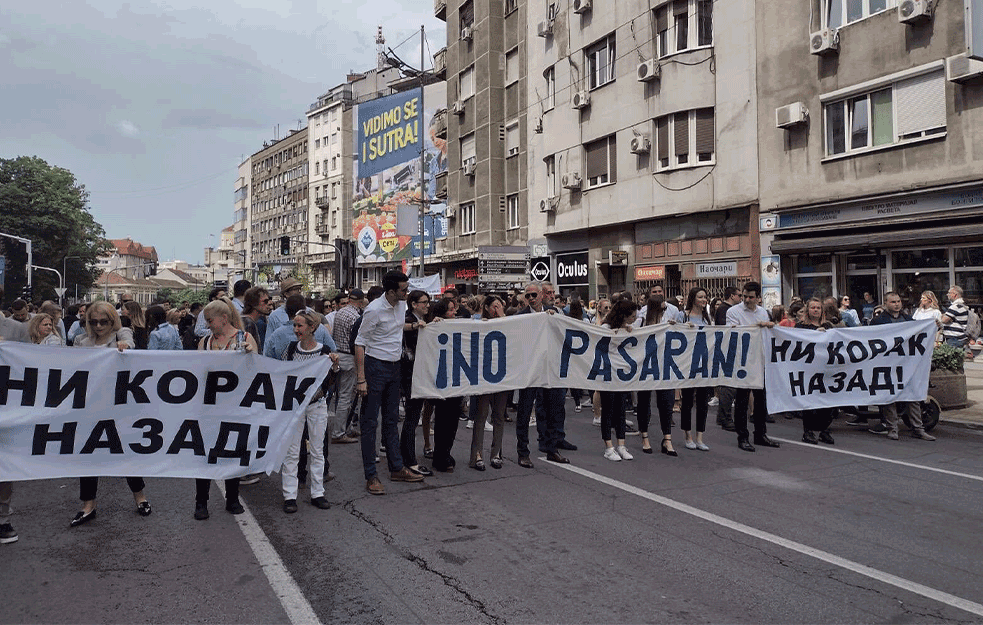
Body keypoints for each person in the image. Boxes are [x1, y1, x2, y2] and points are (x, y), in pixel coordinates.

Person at [71, 302, 151, 527]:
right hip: (90, 405)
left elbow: (131, 345)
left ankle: (140, 496)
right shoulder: (81, 340)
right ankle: (88, 505)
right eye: (93, 321)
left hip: (118, 405)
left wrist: (124, 345)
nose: (98, 326)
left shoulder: (121, 333)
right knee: (88, 455)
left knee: (124, 451)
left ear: (112, 320)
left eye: (103, 321)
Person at [354, 271, 424, 495]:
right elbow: (360, 343)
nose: (407, 292)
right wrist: (361, 379)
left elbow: (395, 328)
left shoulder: (401, 306)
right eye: (404, 289)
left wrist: (415, 326)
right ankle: (371, 476)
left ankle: (396, 468)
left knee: (392, 420)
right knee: (370, 422)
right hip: (375, 367)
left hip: (395, 367)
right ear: (391, 291)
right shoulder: (374, 310)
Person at [193, 299, 259, 520]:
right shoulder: (205, 342)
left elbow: (258, 370)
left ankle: (232, 499)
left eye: (210, 320)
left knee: (233, 452)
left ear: (223, 318)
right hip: (210, 406)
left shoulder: (245, 339)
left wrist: (251, 355)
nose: (208, 325)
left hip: (235, 405)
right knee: (204, 455)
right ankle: (201, 501)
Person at [280, 311, 338, 513]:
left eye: (300, 326)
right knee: (292, 451)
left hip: (317, 404)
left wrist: (334, 365)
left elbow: (331, 380)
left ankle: (317, 493)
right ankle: (289, 495)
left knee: (317, 449)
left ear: (312, 328)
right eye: (294, 326)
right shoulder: (289, 349)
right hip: (295, 407)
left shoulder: (325, 351)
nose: (296, 330)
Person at [514, 282, 570, 467]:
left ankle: (552, 449)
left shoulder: (552, 313)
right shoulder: (520, 317)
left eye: (533, 295)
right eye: (527, 296)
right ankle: (523, 452)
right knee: (524, 411)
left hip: (549, 369)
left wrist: (555, 321)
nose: (531, 298)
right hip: (529, 371)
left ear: (541, 295)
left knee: (553, 409)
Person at [870, 292, 937, 441]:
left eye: (898, 301)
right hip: (887, 365)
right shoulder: (878, 322)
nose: (897, 304)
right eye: (893, 302)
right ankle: (892, 428)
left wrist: (933, 326)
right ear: (886, 303)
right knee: (890, 397)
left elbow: (919, 334)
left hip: (906, 365)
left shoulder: (908, 319)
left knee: (912, 395)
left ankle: (918, 429)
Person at [725, 282, 781, 453]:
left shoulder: (763, 312)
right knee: (742, 400)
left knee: (760, 399)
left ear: (758, 298)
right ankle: (742, 436)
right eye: (745, 296)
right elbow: (731, 332)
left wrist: (770, 326)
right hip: (743, 361)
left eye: (751, 297)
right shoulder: (733, 311)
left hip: (760, 359)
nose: (747, 300)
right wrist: (758, 326)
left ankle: (760, 433)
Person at [468, 295, 510, 470]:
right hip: (484, 375)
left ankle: (496, 453)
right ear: (486, 307)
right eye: (494, 306)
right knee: (481, 415)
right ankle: (476, 454)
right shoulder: (478, 321)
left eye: (500, 306)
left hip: (503, 376)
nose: (497, 309)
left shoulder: (507, 321)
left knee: (499, 416)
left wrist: (502, 316)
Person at [599, 300, 638, 461]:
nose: (635, 318)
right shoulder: (605, 329)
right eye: (632, 316)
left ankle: (621, 445)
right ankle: (609, 447)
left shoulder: (630, 329)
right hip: (607, 376)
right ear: (624, 315)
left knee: (620, 411)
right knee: (608, 411)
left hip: (622, 377)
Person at [399, 290, 433, 476]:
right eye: (424, 302)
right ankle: (410, 460)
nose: (427, 305)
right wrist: (416, 326)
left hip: (416, 375)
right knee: (412, 419)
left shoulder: (421, 321)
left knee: (412, 418)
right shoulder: (407, 320)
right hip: (411, 376)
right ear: (413, 304)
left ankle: (406, 456)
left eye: (428, 302)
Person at [795, 298, 836, 445]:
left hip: (826, 369)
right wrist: (814, 334)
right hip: (809, 370)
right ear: (807, 310)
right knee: (810, 403)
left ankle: (824, 430)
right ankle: (809, 431)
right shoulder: (801, 327)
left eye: (818, 307)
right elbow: (796, 345)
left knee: (828, 402)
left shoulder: (828, 326)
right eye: (813, 307)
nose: (816, 310)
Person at [678, 288, 714, 452]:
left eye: (705, 296)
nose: (704, 299)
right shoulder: (683, 315)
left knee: (702, 401)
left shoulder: (707, 318)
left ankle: (700, 436)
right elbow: (674, 334)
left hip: (704, 364)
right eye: (700, 297)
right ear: (693, 299)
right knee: (687, 401)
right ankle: (688, 435)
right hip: (688, 364)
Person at [329, 289, 367, 444]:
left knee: (342, 395)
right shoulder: (355, 317)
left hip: (338, 355)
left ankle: (346, 428)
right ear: (360, 301)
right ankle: (339, 432)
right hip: (349, 357)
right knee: (346, 397)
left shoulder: (340, 313)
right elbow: (357, 342)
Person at [714, 286, 742, 431]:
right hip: (728, 350)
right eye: (739, 295)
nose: (741, 298)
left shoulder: (726, 309)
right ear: (732, 296)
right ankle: (725, 417)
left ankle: (722, 416)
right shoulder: (725, 309)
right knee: (728, 387)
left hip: (731, 350)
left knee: (731, 386)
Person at [241, 286, 273, 353]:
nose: (270, 303)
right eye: (265, 301)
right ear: (254, 303)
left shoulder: (246, 320)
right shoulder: (249, 323)